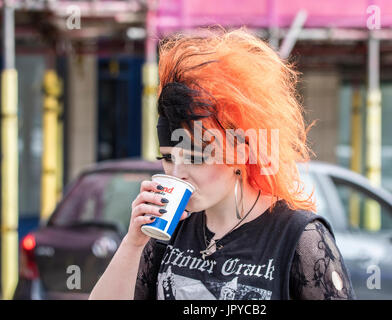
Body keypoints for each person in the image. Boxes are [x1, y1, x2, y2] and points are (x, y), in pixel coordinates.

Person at [89, 27, 355, 300]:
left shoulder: (298, 237)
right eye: (168, 158)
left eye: (195, 157)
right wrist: (133, 243)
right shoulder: (167, 232)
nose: (178, 174)